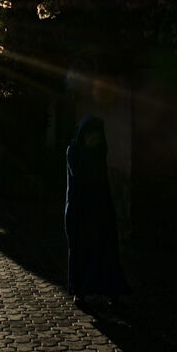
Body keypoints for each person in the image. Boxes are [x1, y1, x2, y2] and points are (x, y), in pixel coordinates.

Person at [64, 116, 131, 304]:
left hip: (101, 207)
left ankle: (111, 291)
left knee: (106, 249)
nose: (96, 138)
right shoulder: (74, 151)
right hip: (80, 209)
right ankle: (81, 291)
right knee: (82, 249)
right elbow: (80, 176)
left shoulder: (99, 150)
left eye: (98, 134)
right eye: (92, 134)